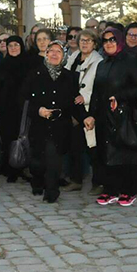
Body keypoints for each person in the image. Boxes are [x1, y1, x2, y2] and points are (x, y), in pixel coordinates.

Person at [87, 27, 137, 207]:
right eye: (105, 40)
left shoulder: (130, 61)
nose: (109, 43)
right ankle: (110, 189)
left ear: (119, 40)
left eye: (112, 39)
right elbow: (96, 92)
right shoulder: (102, 64)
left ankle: (128, 190)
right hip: (104, 115)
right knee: (106, 153)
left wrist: (120, 97)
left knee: (125, 152)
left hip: (125, 114)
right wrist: (91, 115)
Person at [28, 41, 79, 203]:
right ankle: (37, 181)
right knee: (38, 161)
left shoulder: (70, 77)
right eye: (51, 51)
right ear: (46, 54)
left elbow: (74, 103)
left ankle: (51, 191)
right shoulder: (34, 75)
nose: (55, 54)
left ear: (64, 56)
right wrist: (39, 110)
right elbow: (24, 100)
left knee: (53, 158)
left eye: (59, 51)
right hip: (39, 124)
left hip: (59, 126)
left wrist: (86, 118)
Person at [62, 28, 102, 192]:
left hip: (88, 107)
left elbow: (99, 87)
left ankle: (98, 182)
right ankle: (76, 179)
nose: (85, 43)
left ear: (94, 43)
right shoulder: (73, 58)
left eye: (88, 40)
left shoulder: (98, 61)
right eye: (82, 40)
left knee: (93, 147)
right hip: (73, 107)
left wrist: (84, 97)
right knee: (75, 146)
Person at [0, 36, 32, 182]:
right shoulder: (2, 65)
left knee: (24, 137)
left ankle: (24, 167)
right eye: (10, 46)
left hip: (24, 109)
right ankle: (11, 169)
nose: (14, 48)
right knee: (8, 138)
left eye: (16, 45)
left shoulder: (29, 64)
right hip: (6, 109)